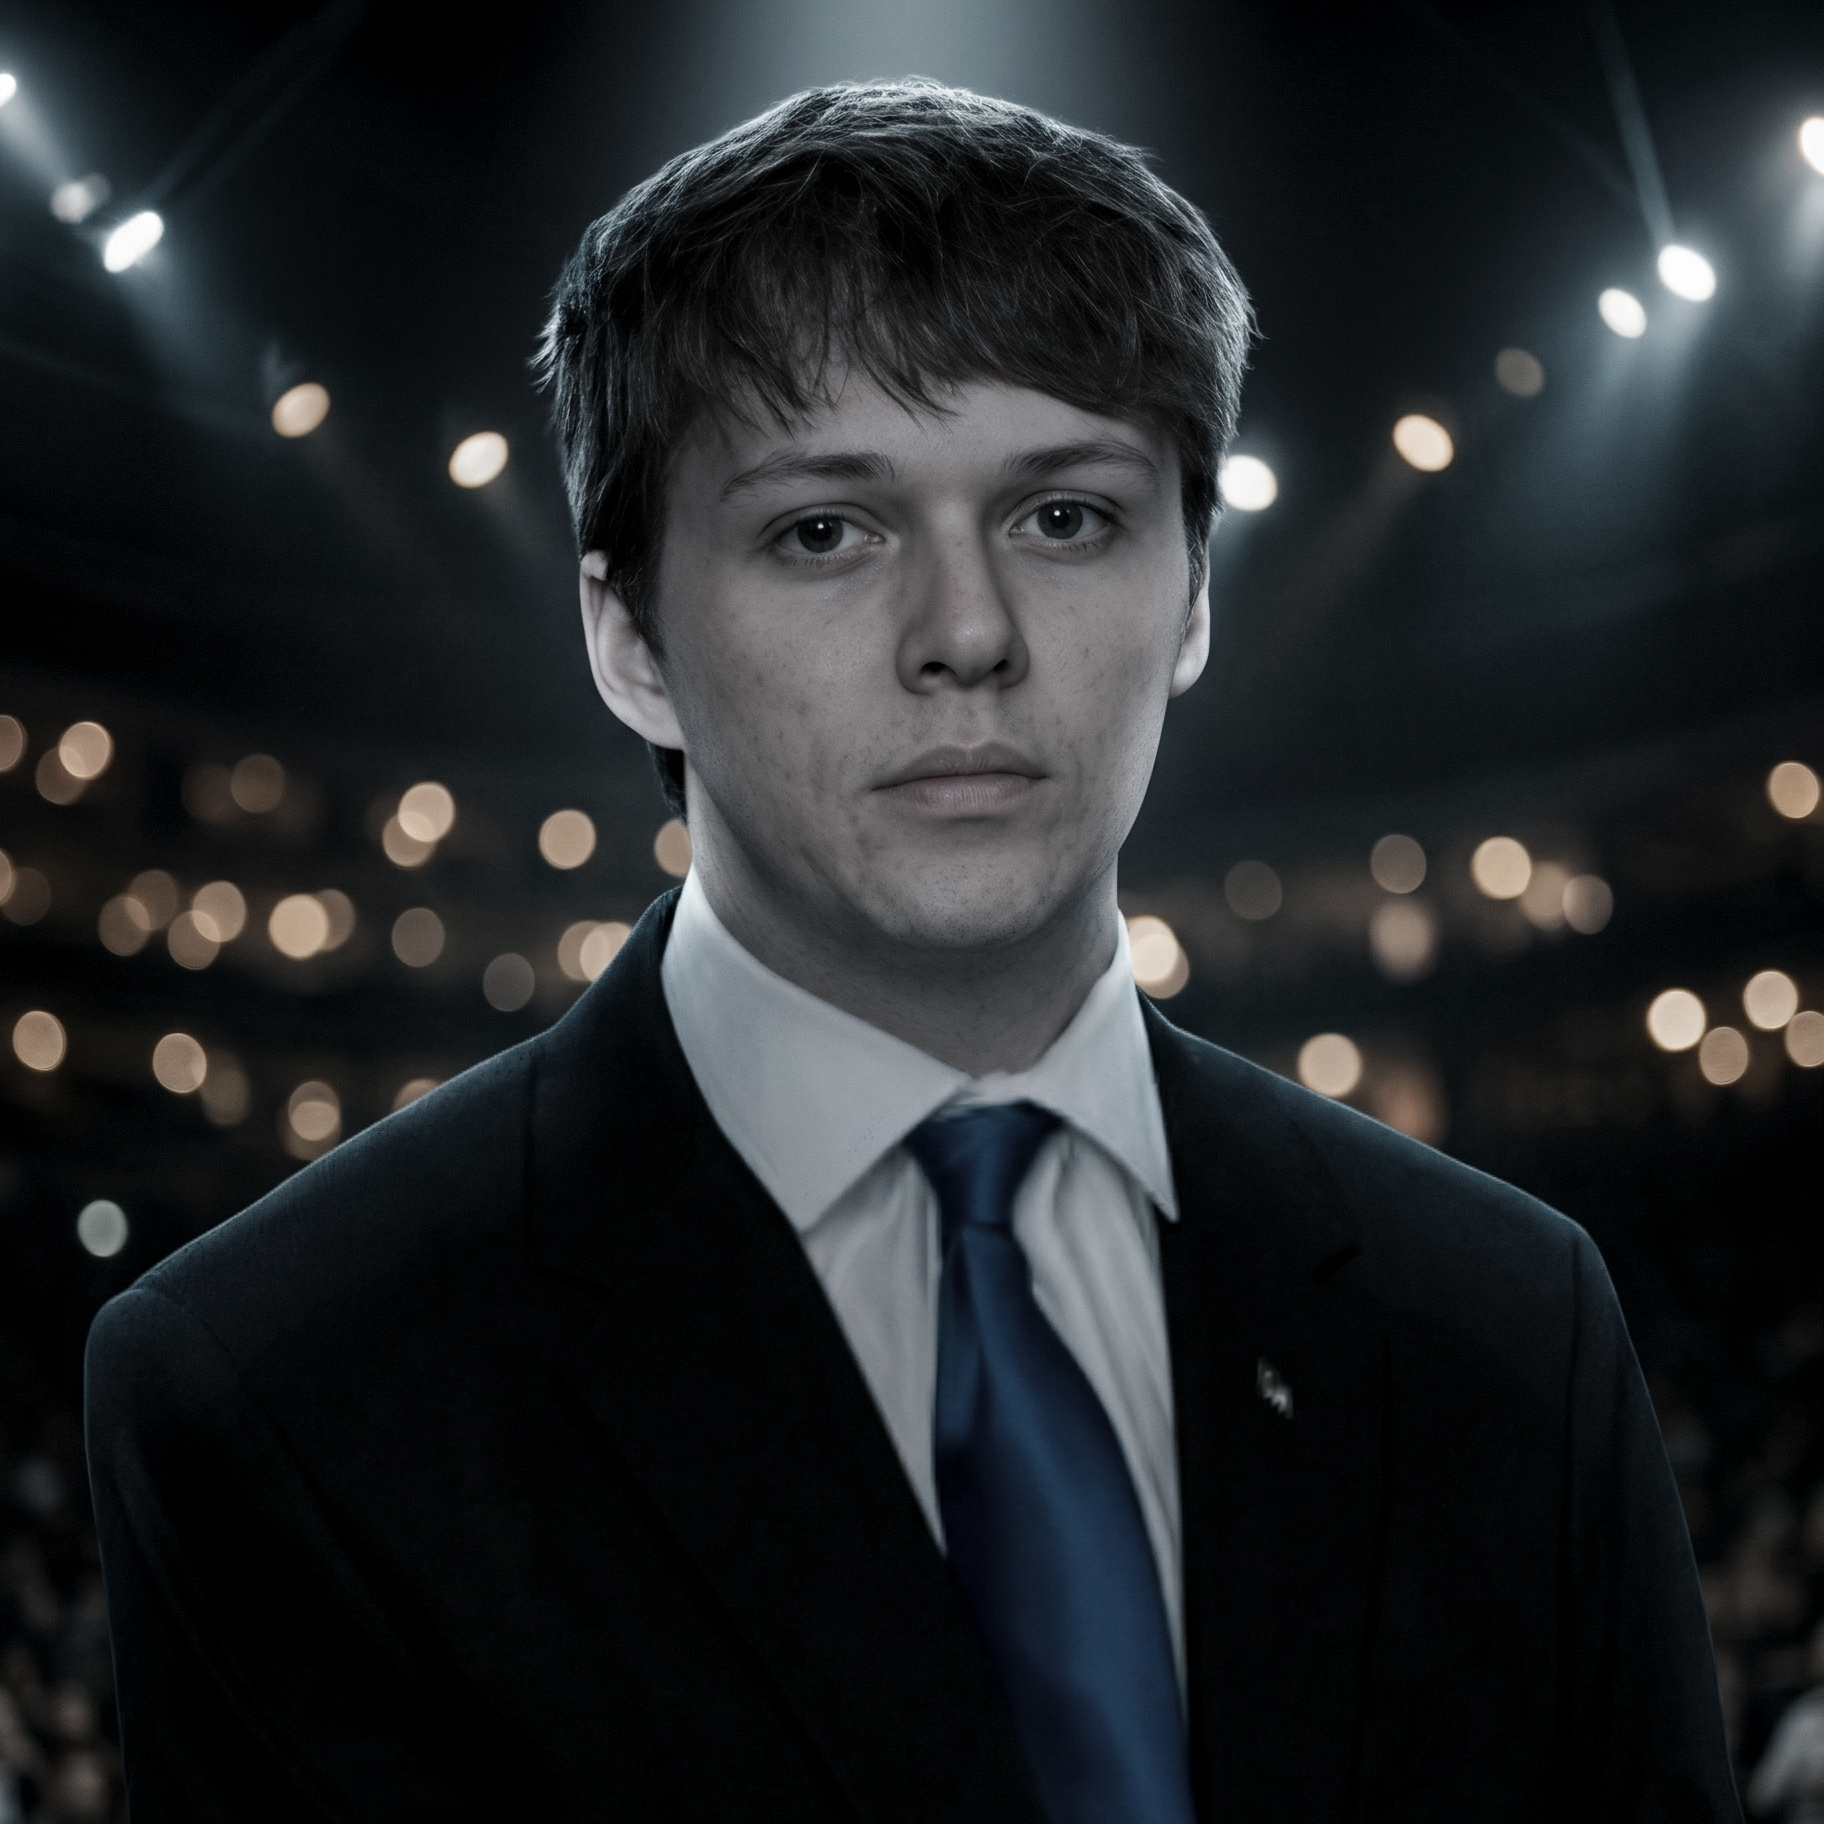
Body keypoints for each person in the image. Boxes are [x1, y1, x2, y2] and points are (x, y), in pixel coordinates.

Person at [84, 80, 1739, 1822]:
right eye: (825, 530)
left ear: (1191, 600)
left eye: (1065, 515)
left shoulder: (1509, 1325)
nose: (968, 633)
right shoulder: (277, 1382)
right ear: (630, 636)